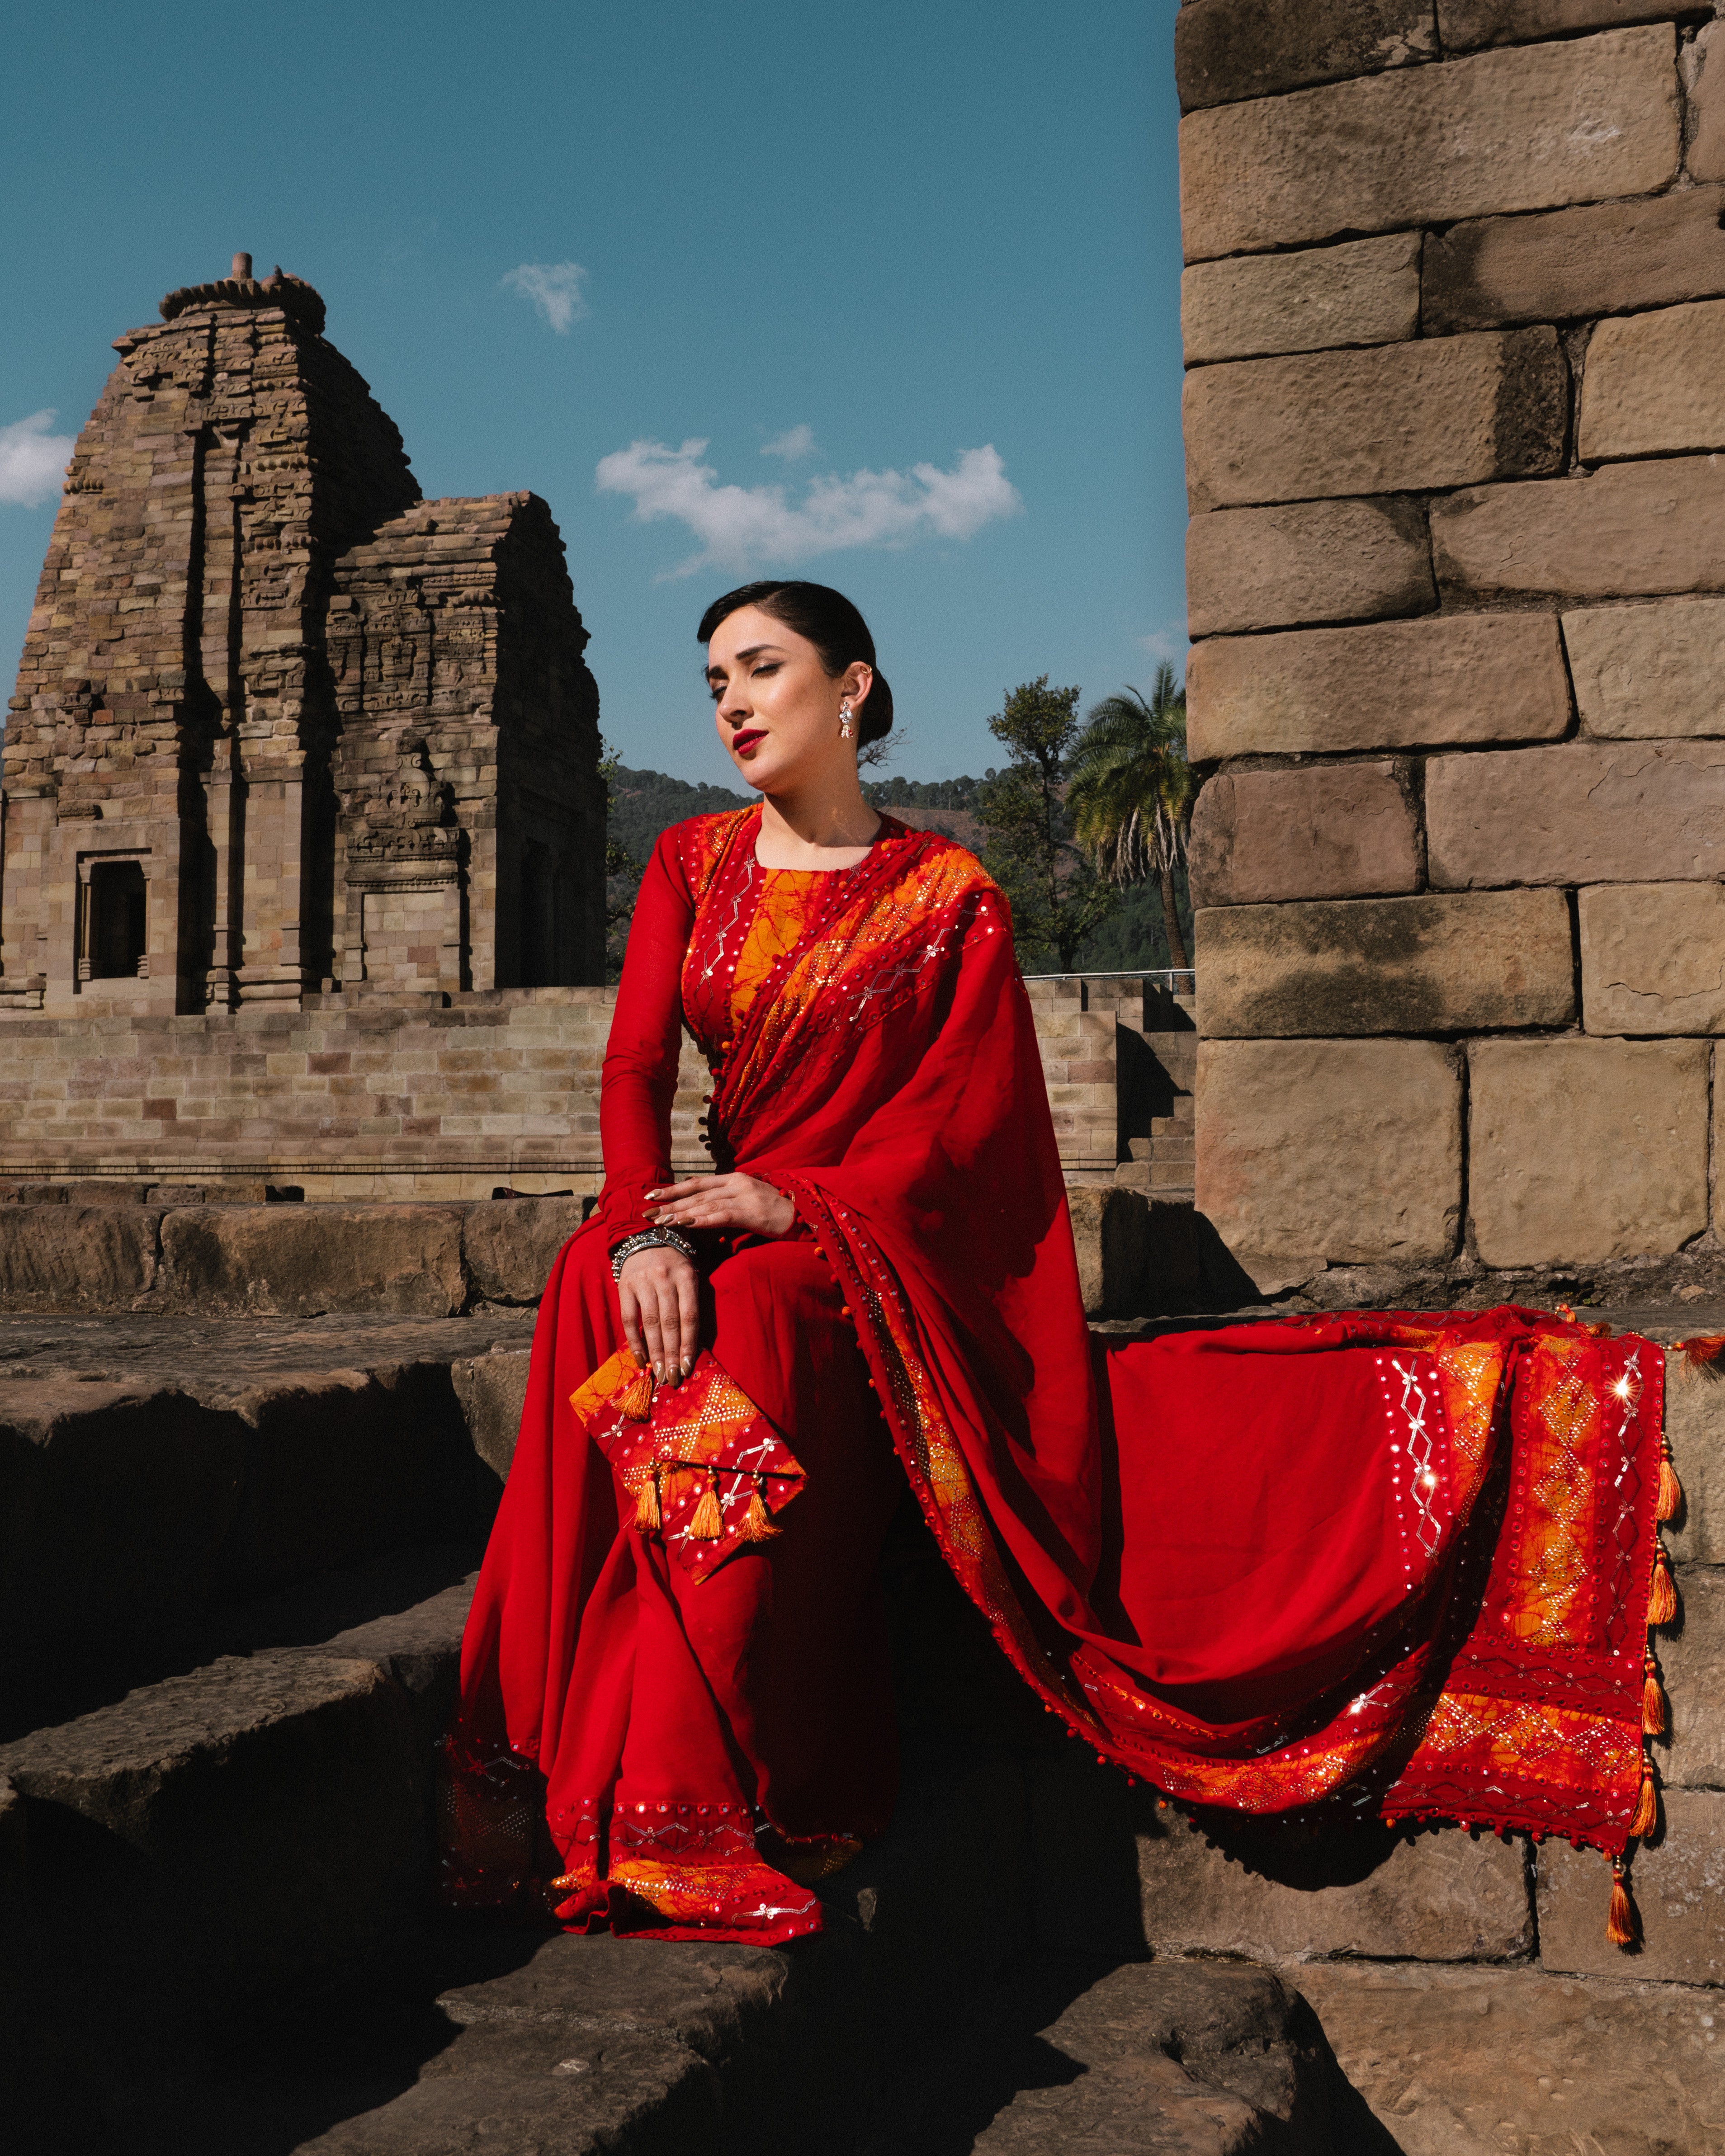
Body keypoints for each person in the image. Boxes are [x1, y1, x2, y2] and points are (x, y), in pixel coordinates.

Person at [440, 582, 1671, 1950]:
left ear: (852, 688)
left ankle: (687, 1794)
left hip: (857, 1246)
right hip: (701, 1216)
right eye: (715, 676)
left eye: (762, 668)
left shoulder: (949, 898)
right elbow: (633, 1066)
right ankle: (591, 1770)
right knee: (610, 1286)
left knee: (753, 1326)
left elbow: (963, 1136)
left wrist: (795, 1201)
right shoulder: (687, 861)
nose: (729, 701)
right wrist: (647, 1223)